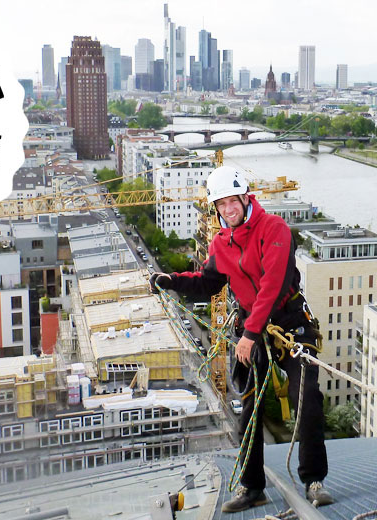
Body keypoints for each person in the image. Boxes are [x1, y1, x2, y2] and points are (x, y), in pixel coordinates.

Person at [150, 166, 333, 513]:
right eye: (221, 204)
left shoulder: (274, 229)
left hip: (290, 324)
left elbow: (274, 284)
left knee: (306, 396)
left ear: (246, 198)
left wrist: (249, 334)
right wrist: (171, 280)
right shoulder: (221, 243)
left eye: (233, 201)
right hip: (253, 328)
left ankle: (313, 481)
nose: (228, 209)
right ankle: (252, 487)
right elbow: (208, 282)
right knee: (249, 407)